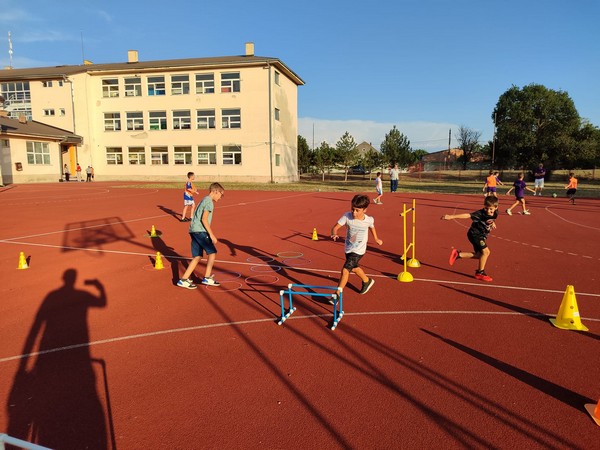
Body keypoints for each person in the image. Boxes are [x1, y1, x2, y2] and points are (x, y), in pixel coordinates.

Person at [331, 194, 383, 297]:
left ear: (365, 210)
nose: (354, 213)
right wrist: (334, 233)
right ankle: (367, 281)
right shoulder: (347, 216)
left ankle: (337, 294)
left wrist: (376, 238)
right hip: (348, 248)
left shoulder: (369, 220)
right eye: (352, 209)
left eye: (357, 210)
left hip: (359, 250)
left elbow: (371, 227)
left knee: (345, 270)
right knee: (354, 268)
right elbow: (335, 228)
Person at [177, 182, 225, 289]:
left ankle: (183, 280)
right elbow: (204, 219)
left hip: (193, 230)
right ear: (216, 191)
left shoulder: (204, 199)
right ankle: (207, 277)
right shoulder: (209, 202)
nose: (221, 197)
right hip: (200, 230)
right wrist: (211, 235)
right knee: (212, 252)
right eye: (221, 194)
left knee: (197, 256)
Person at [441, 196, 499, 282]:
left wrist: (492, 223)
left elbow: (490, 218)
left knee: (480, 255)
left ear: (496, 207)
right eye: (486, 208)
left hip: (482, 235)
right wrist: (451, 216)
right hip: (475, 234)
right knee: (486, 252)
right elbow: (467, 215)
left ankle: (458, 254)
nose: (488, 211)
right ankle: (480, 273)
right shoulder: (480, 213)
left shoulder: (496, 213)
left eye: (491, 209)